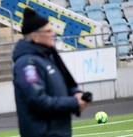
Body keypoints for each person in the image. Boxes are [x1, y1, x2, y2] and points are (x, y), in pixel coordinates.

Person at [12, 8, 89, 137]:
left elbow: (63, 85)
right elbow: (37, 100)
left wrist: (76, 93)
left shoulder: (47, 57)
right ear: (35, 37)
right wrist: (73, 103)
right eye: (48, 31)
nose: (53, 34)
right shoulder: (27, 63)